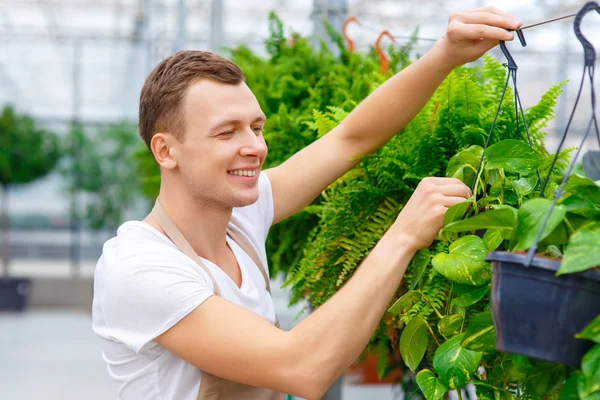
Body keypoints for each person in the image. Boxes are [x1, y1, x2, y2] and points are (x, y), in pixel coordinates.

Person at [92, 6, 522, 400]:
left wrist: (445, 55)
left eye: (256, 128)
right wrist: (404, 234)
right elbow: (302, 367)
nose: (254, 147)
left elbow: (350, 139)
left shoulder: (240, 217)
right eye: (226, 133)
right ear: (166, 151)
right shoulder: (139, 268)